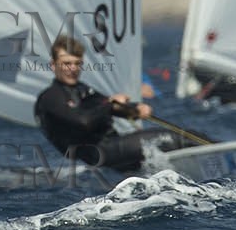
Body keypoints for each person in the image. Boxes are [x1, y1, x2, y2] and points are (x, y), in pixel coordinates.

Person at [34, 37, 187, 173]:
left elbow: (108, 106)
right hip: (99, 153)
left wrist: (134, 110)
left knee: (179, 136)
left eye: (77, 63)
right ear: (53, 65)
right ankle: (211, 155)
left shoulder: (82, 89)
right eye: (67, 64)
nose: (73, 68)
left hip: (111, 148)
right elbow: (83, 121)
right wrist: (109, 104)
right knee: (172, 138)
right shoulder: (51, 97)